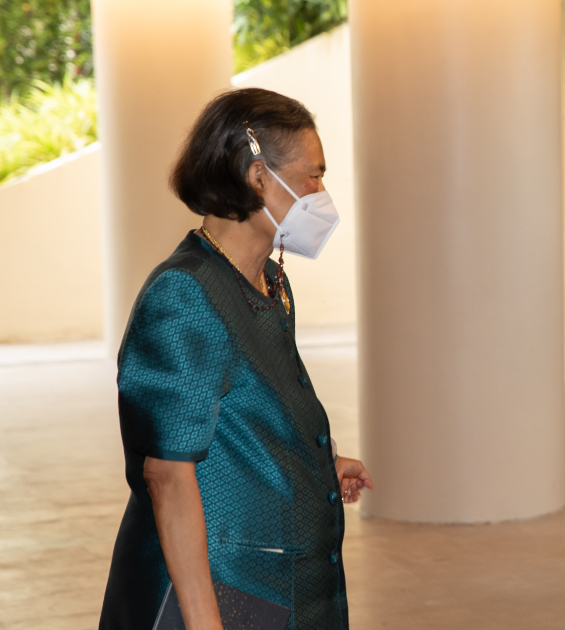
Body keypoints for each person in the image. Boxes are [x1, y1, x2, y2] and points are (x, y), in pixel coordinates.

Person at [99, 88, 373, 629]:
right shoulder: (185, 294)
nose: (321, 193)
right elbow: (167, 475)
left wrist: (315, 463)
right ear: (257, 176)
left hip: (285, 587)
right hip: (233, 595)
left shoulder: (270, 281)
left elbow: (250, 408)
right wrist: (204, 623)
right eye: (312, 176)